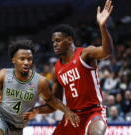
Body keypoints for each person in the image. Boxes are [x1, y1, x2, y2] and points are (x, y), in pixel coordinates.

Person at [24, 0, 114, 135]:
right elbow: (54, 103)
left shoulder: (85, 54)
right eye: (53, 42)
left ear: (70, 40)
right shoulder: (57, 69)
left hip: (94, 112)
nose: (54, 44)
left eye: (58, 40)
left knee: (96, 133)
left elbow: (107, 51)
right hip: (72, 115)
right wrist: (36, 110)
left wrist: (102, 26)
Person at [0, 40, 79, 135]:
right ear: (13, 60)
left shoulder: (40, 82)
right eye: (22, 59)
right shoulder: (3, 74)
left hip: (18, 127)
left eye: (29, 59)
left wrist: (37, 111)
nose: (26, 62)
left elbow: (52, 104)